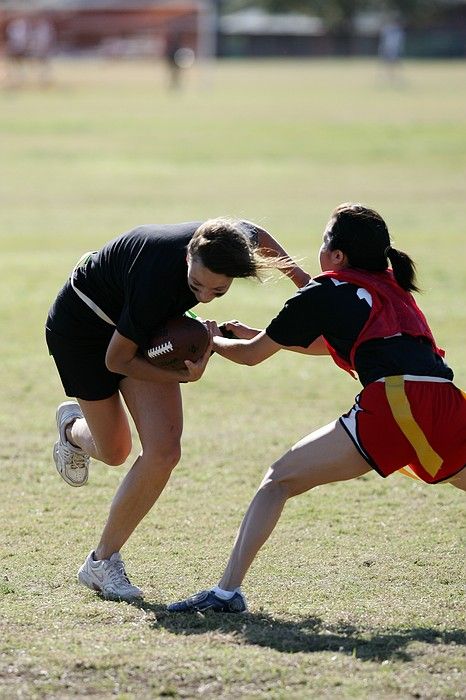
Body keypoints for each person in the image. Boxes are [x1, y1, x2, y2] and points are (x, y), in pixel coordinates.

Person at [168, 203, 466, 614]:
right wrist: (251, 334)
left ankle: (225, 594)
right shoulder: (389, 283)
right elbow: (330, 344)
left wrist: (208, 339)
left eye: (325, 240)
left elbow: (254, 356)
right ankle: (225, 593)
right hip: (445, 397)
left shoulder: (325, 290)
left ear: (337, 255)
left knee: (278, 480)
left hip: (397, 401)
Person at [46, 217, 310, 602]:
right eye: (196, 286)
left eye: (218, 291)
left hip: (142, 323)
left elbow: (255, 231)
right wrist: (185, 377)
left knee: (164, 450)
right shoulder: (157, 279)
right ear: (188, 254)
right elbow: (117, 359)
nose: (204, 298)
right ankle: (73, 428)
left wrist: (302, 280)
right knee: (114, 450)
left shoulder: (225, 242)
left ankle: (100, 564)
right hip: (84, 329)